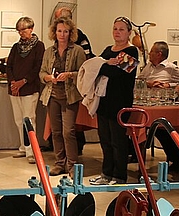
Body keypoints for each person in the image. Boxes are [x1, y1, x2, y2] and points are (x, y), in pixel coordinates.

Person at [89, 16, 137, 186]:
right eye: (115, 29)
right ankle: (106, 173)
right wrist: (108, 64)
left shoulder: (132, 51)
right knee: (105, 139)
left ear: (129, 32)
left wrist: (105, 66)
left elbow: (118, 73)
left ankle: (119, 175)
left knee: (118, 141)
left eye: (121, 29)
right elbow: (95, 67)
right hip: (104, 100)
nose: (117, 32)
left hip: (120, 102)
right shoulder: (108, 50)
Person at [40, 17, 85, 176]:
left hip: (70, 96)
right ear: (54, 32)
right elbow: (42, 72)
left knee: (68, 132)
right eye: (59, 31)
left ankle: (72, 166)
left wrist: (70, 74)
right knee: (56, 132)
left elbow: (83, 73)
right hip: (52, 95)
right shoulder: (48, 51)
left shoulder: (77, 50)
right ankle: (60, 163)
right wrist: (48, 78)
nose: (62, 34)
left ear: (70, 33)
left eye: (65, 31)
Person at [139, 41, 179, 174]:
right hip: (148, 103)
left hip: (163, 105)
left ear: (159, 54)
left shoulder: (171, 68)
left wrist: (168, 85)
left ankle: (176, 159)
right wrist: (149, 83)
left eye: (152, 51)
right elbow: (139, 81)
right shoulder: (148, 67)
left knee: (161, 129)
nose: (149, 53)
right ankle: (134, 154)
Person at [54, 6, 94, 154]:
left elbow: (87, 60)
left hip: (74, 87)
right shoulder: (53, 46)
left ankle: (74, 156)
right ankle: (62, 157)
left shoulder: (79, 38)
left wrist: (72, 74)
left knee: (69, 129)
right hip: (57, 89)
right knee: (59, 129)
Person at [6, 17, 45, 164]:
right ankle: (23, 147)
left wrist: (23, 82)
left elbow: (37, 67)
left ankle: (32, 151)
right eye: (19, 30)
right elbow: (9, 66)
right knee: (18, 120)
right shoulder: (16, 47)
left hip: (29, 88)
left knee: (28, 120)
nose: (21, 33)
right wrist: (13, 83)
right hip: (15, 90)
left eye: (24, 29)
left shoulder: (39, 46)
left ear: (31, 29)